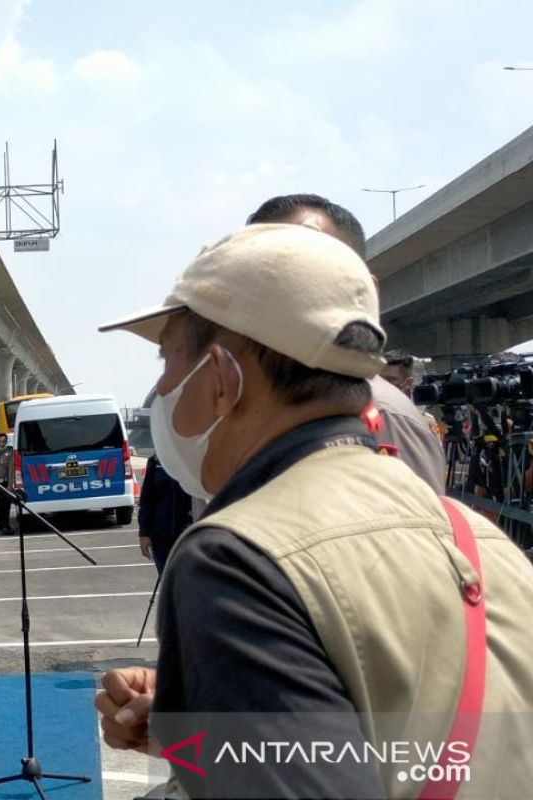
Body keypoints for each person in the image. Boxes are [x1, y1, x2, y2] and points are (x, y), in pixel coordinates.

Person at [95, 224, 533, 797]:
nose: (162, 390)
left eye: (169, 364)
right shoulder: (472, 532)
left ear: (223, 379)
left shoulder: (234, 558)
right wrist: (210, 716)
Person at [247, 193, 448, 493]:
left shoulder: (384, 417)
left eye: (308, 270)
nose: (285, 287)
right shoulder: (235, 405)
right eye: (263, 270)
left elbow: (417, 535)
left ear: (367, 289)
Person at [135, 454, 192, 573]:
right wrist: (143, 534)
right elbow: (146, 499)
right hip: (161, 535)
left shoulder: (194, 458)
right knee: (166, 578)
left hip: (189, 533)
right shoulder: (156, 461)